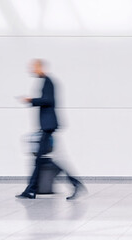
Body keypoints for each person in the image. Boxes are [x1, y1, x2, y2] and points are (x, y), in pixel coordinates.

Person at [15, 59, 86, 200]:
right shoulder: (46, 81)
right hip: (48, 126)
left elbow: (48, 100)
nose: (32, 70)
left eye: (34, 67)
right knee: (42, 159)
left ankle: (74, 184)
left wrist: (32, 100)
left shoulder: (48, 81)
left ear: (40, 67)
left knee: (43, 159)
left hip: (49, 126)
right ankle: (31, 190)